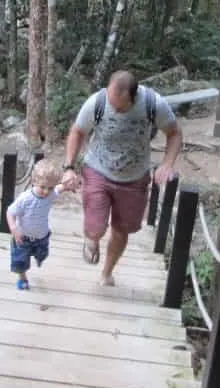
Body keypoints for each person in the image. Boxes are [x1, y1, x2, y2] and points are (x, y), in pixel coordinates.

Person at [61, 70, 182, 286]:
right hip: (98, 169)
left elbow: (174, 134)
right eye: (111, 103)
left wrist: (167, 164)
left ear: (134, 97)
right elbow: (77, 132)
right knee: (96, 227)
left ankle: (106, 273)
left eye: (119, 106)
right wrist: (69, 167)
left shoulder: (153, 104)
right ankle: (92, 237)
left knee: (121, 230)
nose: (114, 110)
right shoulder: (97, 102)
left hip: (134, 177)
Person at [6, 159, 71, 290]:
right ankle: (22, 278)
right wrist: (13, 228)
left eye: (50, 188)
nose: (46, 191)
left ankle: (39, 257)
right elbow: (10, 212)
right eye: (42, 187)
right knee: (20, 262)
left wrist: (69, 184)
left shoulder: (51, 193)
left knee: (43, 254)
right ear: (34, 181)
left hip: (42, 236)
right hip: (23, 237)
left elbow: (60, 188)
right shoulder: (25, 199)